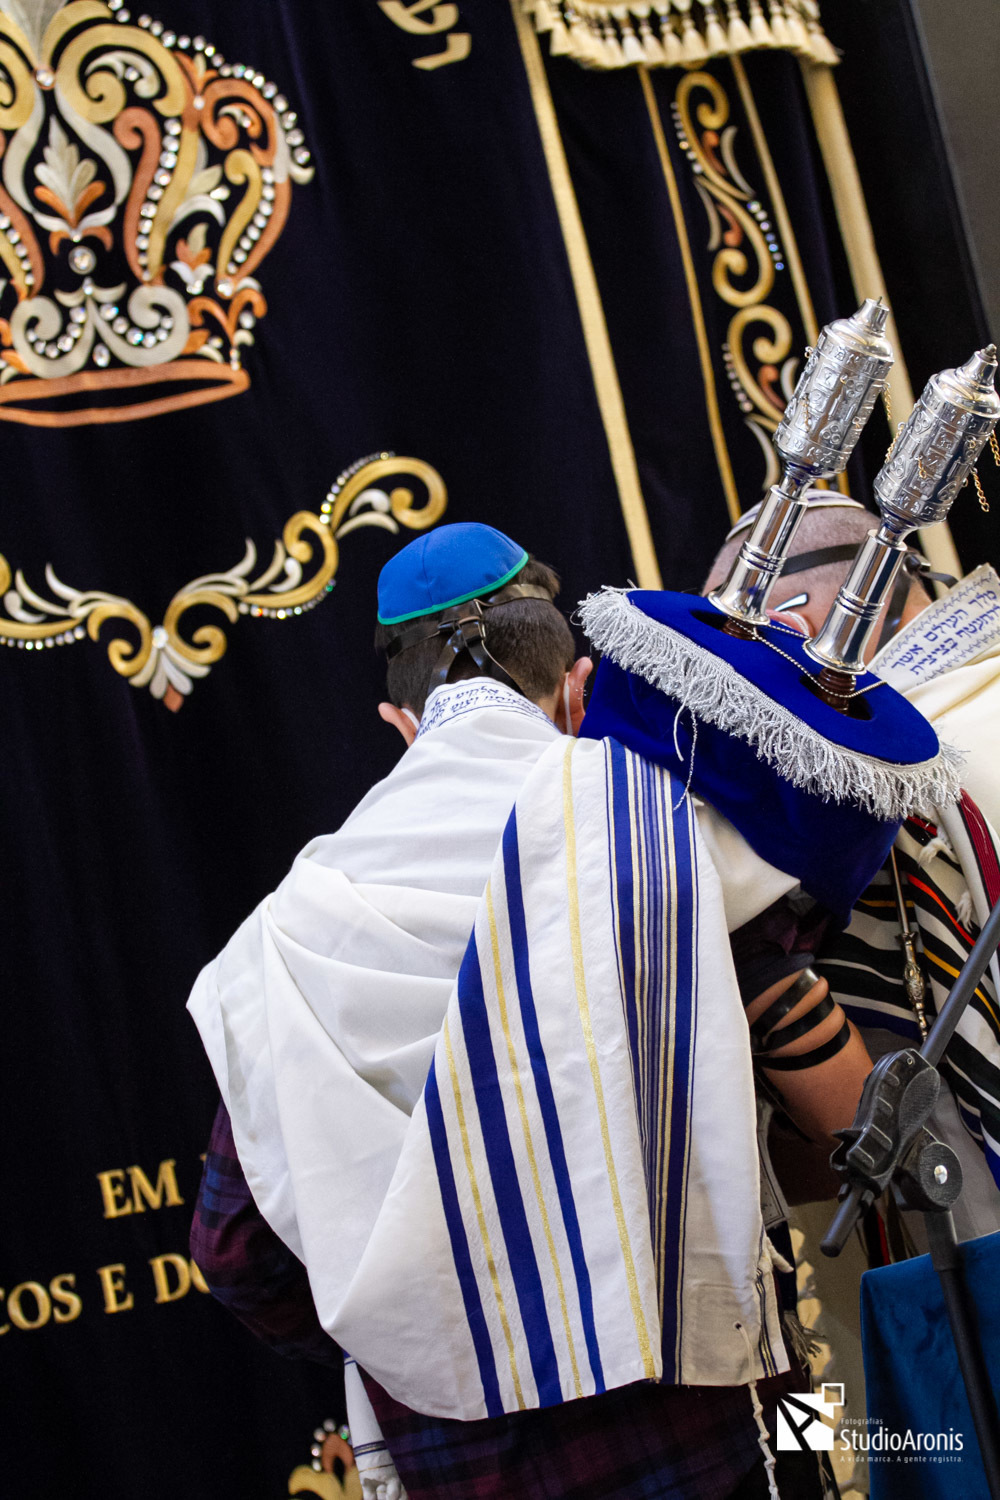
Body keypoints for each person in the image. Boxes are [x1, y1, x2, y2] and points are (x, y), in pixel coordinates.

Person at [190, 521, 873, 1500]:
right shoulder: (659, 832)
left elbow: (235, 1251)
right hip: (728, 1433)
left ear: (401, 727)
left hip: (465, 1467)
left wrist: (420, 1320)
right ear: (579, 690)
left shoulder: (289, 936)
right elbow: (840, 1110)